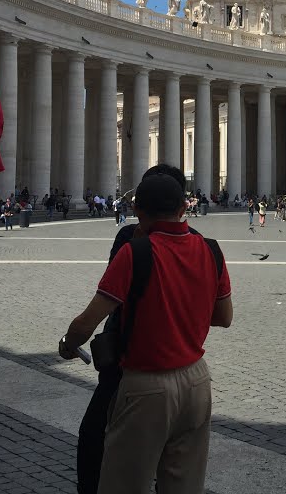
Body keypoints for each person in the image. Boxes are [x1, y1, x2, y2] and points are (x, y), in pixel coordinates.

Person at [59, 172, 232, 494]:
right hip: (197, 382)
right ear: (184, 208)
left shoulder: (136, 251)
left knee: (124, 484)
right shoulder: (211, 249)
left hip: (147, 385)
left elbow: (87, 322)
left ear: (138, 211)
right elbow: (224, 317)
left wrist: (69, 343)